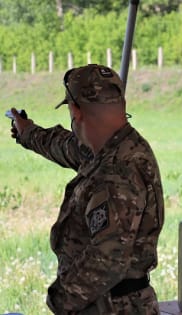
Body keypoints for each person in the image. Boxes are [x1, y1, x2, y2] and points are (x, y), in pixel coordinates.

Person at [9, 64, 164, 314]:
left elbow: (108, 259)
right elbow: (64, 146)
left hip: (112, 308)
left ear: (76, 111)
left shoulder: (118, 170)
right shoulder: (111, 148)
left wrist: (59, 300)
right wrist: (27, 132)